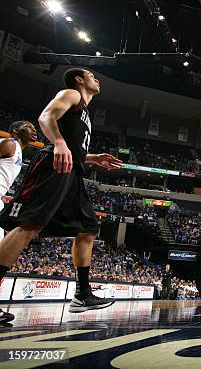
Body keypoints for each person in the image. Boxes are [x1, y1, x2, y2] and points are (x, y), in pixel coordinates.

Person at [0, 68, 123, 322]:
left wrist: (92, 158)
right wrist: (58, 142)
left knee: (88, 229)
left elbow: (71, 145)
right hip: (54, 165)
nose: (97, 79)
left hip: (73, 170)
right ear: (79, 80)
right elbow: (46, 117)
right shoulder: (71, 94)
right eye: (91, 75)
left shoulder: (85, 111)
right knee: (29, 225)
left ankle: (82, 294)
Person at [0, 121, 37, 242]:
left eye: (34, 128)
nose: (34, 130)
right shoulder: (9, 144)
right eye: (28, 127)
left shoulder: (18, 151)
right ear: (15, 130)